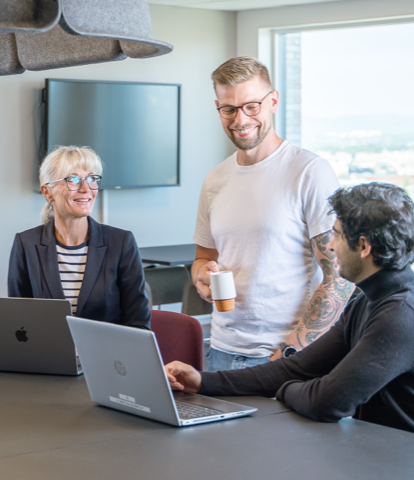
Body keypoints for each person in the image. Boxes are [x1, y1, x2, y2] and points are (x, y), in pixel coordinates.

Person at [167, 182, 414, 433]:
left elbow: (327, 402)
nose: (330, 245)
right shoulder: (368, 301)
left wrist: (284, 390)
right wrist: (202, 381)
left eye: (337, 235)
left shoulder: (400, 316)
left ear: (363, 246)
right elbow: (297, 368)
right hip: (372, 446)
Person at [192, 56, 353, 371]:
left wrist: (292, 350)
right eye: (229, 109)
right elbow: (203, 258)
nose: (241, 119)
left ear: (273, 101)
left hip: (285, 356)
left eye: (252, 106)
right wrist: (201, 276)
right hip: (220, 352)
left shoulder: (309, 171)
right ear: (218, 108)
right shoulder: (215, 179)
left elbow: (340, 276)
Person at [8, 146, 151, 329]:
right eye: (73, 180)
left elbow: (138, 324)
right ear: (47, 192)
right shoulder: (26, 244)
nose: (86, 188)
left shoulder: (121, 242)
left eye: (91, 179)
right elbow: (19, 323)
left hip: (106, 348)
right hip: (48, 348)